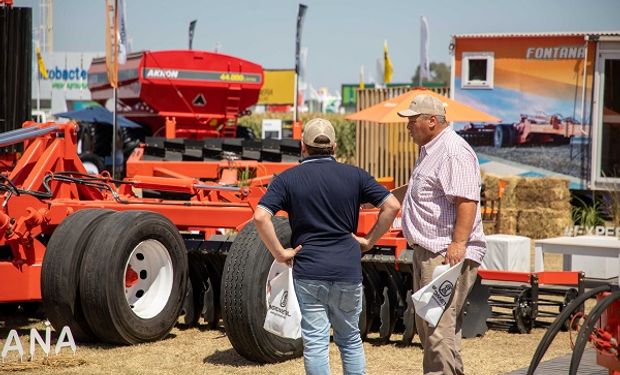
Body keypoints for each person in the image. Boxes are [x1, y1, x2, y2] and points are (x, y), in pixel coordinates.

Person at [254, 118, 400, 375]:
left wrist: (280, 252)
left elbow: (260, 216)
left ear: (303, 146)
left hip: (309, 269)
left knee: (315, 342)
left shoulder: (287, 179)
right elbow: (392, 206)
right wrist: (369, 241)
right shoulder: (355, 175)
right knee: (350, 339)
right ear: (334, 146)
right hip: (347, 268)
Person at [397, 94, 486, 375]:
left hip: (445, 254)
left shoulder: (452, 151)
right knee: (436, 328)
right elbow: (417, 190)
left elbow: (466, 202)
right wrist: (379, 198)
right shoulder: (431, 149)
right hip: (432, 252)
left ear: (432, 121)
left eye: (413, 121)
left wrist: (458, 244)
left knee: (437, 330)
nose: (408, 126)